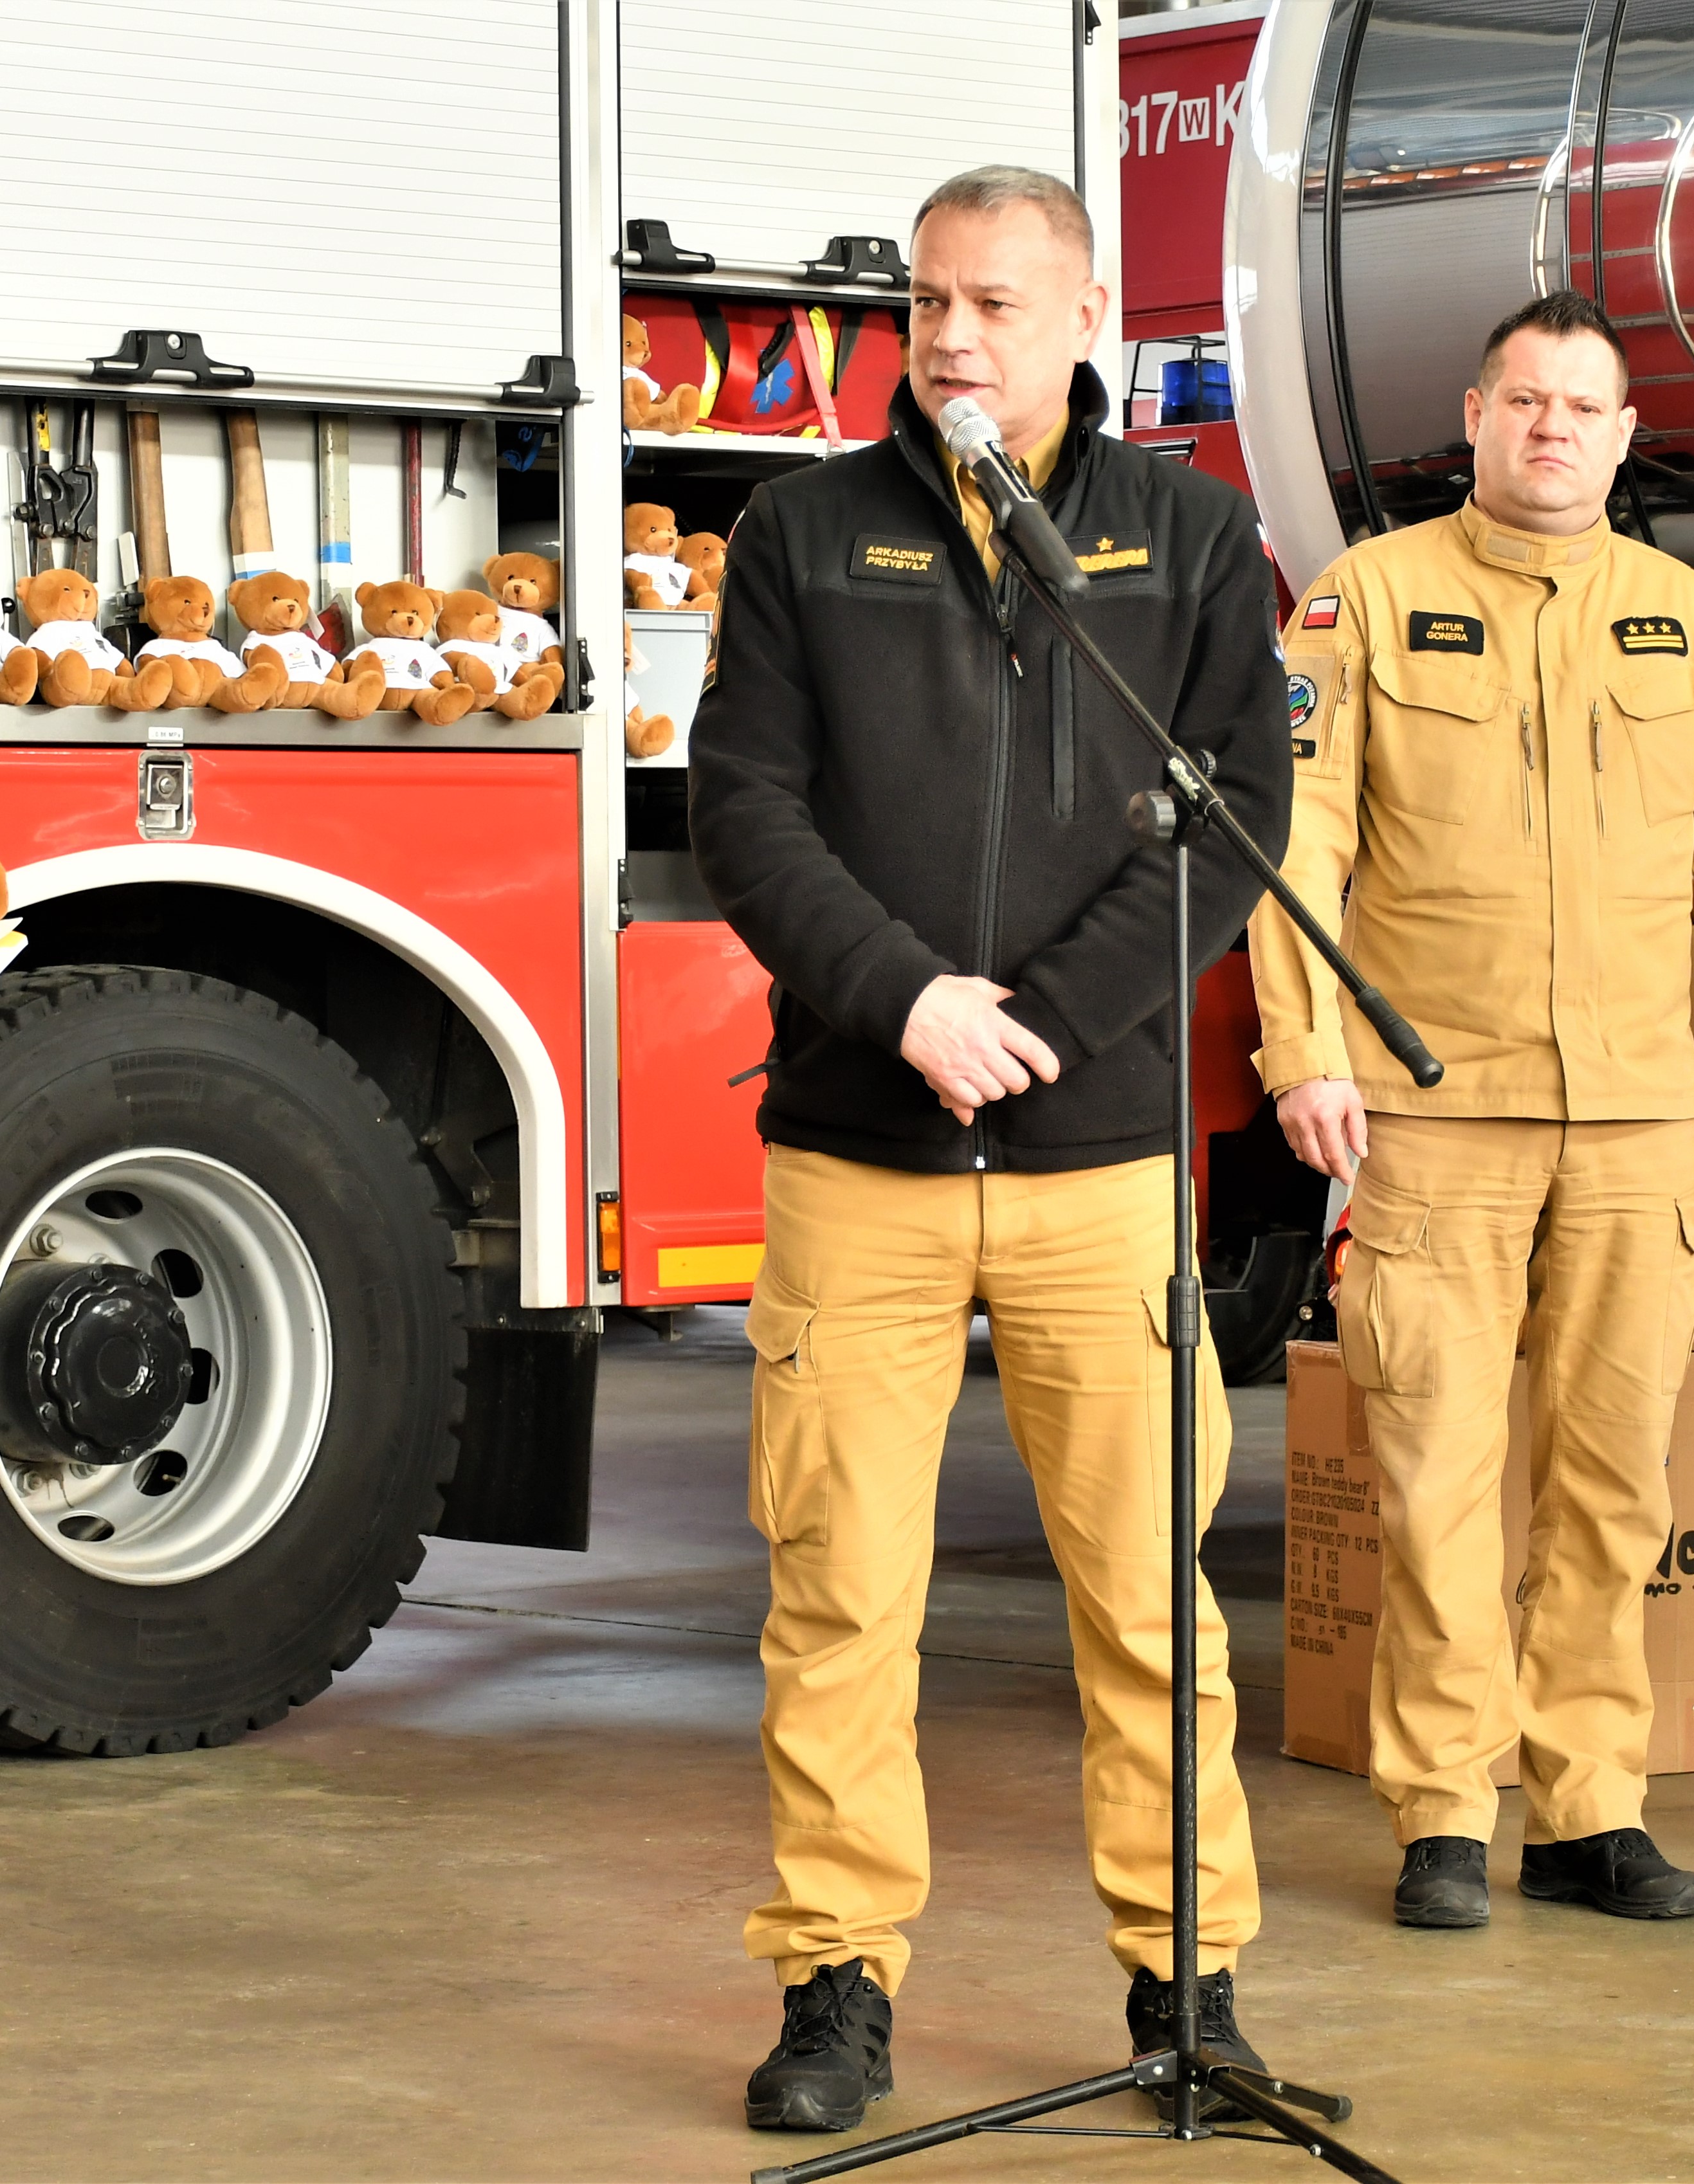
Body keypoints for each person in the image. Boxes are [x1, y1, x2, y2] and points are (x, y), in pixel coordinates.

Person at [690, 165, 1291, 2134]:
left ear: (1085, 316)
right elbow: (744, 806)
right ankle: (834, 1980)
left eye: (994, 302)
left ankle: (1186, 1984)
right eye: (926, 301)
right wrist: (902, 1001)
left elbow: (1233, 817)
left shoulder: (1189, 539)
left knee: (1147, 1601)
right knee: (836, 1592)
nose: (949, 335)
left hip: (1094, 1159)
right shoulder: (800, 533)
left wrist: (1040, 1023)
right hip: (856, 1152)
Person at [1252, 292, 1694, 1933]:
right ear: (1477, 418)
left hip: (1637, 1119)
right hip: (1436, 1116)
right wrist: (1305, 1052)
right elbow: (1298, 846)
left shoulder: (1686, 620)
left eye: (1583, 407)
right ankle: (1443, 1813)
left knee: (1614, 1485)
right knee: (1434, 1478)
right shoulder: (1368, 601)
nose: (1552, 427)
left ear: (1624, 436)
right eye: (1525, 401)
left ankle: (1588, 1811)